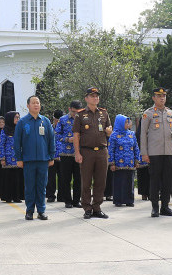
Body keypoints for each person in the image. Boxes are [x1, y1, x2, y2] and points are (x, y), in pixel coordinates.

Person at [73, 87, 112, 219]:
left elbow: (109, 131)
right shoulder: (80, 114)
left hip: (102, 151)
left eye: (97, 96)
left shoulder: (104, 113)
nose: (95, 98)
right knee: (86, 181)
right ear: (86, 98)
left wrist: (109, 132)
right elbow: (76, 135)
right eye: (92, 96)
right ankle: (87, 208)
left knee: (101, 181)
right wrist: (77, 153)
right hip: (86, 152)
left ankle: (97, 207)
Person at [14, 96, 55, 220]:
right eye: (33, 103)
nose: (36, 105)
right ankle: (29, 210)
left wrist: (51, 156)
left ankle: (41, 211)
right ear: (28, 106)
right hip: (28, 160)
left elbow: (51, 140)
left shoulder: (46, 121)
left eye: (38, 102)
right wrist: (19, 158)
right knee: (30, 186)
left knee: (42, 186)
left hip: (43, 159)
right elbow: (17, 142)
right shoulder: (22, 122)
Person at [140, 88, 172, 217]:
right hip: (154, 152)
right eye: (159, 96)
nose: (162, 98)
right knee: (155, 180)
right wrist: (144, 153)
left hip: (169, 152)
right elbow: (143, 134)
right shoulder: (148, 113)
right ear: (153, 98)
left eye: (164, 96)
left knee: (168, 180)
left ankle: (165, 207)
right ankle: (155, 207)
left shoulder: (170, 113)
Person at [108, 115, 140, 207]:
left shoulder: (131, 134)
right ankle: (118, 200)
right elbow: (111, 149)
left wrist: (137, 160)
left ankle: (129, 200)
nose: (128, 124)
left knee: (130, 182)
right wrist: (112, 163)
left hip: (129, 163)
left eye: (128, 122)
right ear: (120, 123)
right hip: (118, 164)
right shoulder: (114, 135)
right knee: (119, 182)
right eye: (126, 122)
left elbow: (136, 148)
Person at [55, 101, 82, 208]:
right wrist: (67, 139)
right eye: (74, 111)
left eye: (77, 112)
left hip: (78, 153)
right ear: (69, 109)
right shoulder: (62, 120)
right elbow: (56, 135)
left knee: (78, 178)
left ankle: (76, 200)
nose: (75, 114)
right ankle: (68, 201)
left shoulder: (82, 120)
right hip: (65, 154)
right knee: (66, 178)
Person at [0, 111, 24, 203]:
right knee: (9, 178)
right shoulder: (5, 130)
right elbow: (1, 145)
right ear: (10, 119)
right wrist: (2, 158)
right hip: (8, 158)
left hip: (18, 158)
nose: (18, 119)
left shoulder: (20, 129)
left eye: (18, 117)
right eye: (16, 117)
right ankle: (8, 197)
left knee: (17, 178)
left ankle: (17, 197)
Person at [46, 109, 63, 203]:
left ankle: (61, 195)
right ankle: (51, 195)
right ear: (53, 119)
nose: (57, 122)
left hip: (62, 156)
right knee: (51, 177)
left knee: (62, 177)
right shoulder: (49, 128)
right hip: (51, 156)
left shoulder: (65, 128)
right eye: (56, 120)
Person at [135, 118, 150, 201]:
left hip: (150, 157)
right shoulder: (138, 133)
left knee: (150, 176)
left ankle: (150, 193)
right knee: (142, 176)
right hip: (141, 158)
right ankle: (144, 194)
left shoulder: (151, 132)